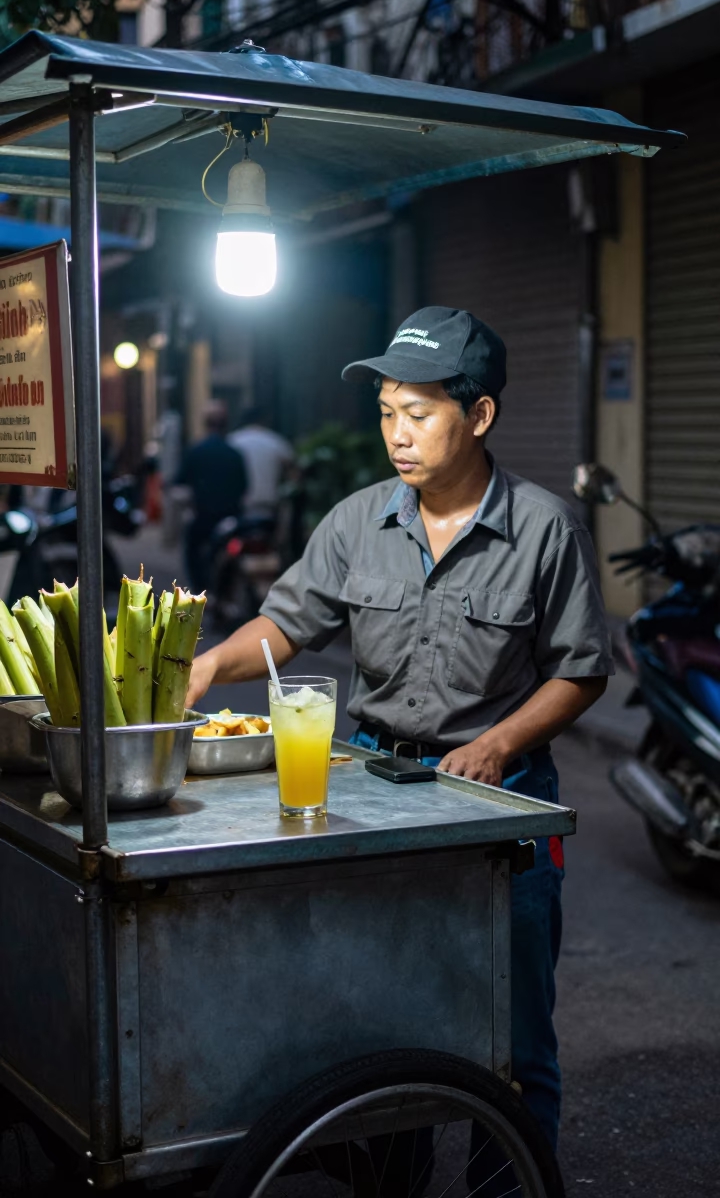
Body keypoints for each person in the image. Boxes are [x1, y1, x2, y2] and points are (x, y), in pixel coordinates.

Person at [187, 306, 614, 1158]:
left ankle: (511, 1181)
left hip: (501, 806)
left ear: (479, 414)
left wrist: (497, 742)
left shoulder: (545, 528)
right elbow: (285, 626)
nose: (397, 434)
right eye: (386, 412)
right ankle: (398, 1175)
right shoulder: (355, 521)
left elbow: (582, 670)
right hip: (375, 793)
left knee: (515, 1036)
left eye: (417, 413)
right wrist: (201, 667)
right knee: (381, 1017)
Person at [176, 401, 247, 593]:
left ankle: (201, 590)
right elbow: (244, 487)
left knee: (192, 551)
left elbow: (180, 482)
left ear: (205, 424)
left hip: (204, 517)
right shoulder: (234, 453)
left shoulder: (196, 451)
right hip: (232, 517)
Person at [227, 407, 296, 524]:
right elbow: (294, 475)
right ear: (264, 421)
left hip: (239, 507)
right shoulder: (276, 441)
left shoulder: (232, 441)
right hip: (269, 506)